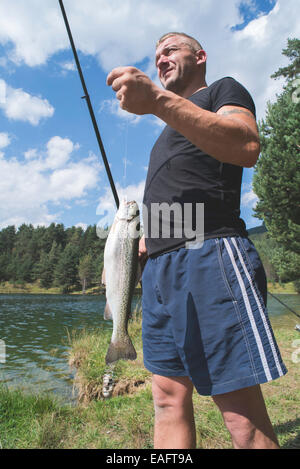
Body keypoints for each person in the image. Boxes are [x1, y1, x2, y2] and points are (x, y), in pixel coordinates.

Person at [107, 32, 287, 450]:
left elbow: (245, 144)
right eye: (156, 57)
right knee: (167, 400)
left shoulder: (221, 92)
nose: (161, 60)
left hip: (210, 255)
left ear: (199, 56)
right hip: (157, 273)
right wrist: (151, 236)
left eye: (170, 50)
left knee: (239, 410)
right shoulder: (166, 132)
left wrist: (155, 101)